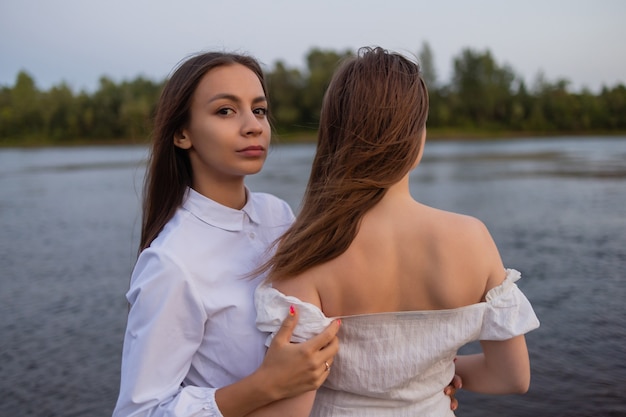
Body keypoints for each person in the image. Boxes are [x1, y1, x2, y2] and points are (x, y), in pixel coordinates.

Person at [254, 46, 540, 416]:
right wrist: (436, 375)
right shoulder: (472, 238)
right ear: (416, 138)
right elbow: (511, 378)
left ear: (333, 135)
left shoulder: (309, 250)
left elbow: (290, 408)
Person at [112, 51, 343, 417]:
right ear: (182, 133)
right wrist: (265, 385)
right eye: (225, 111)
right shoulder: (171, 262)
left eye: (260, 110)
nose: (253, 125)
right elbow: (139, 412)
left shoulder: (277, 215)